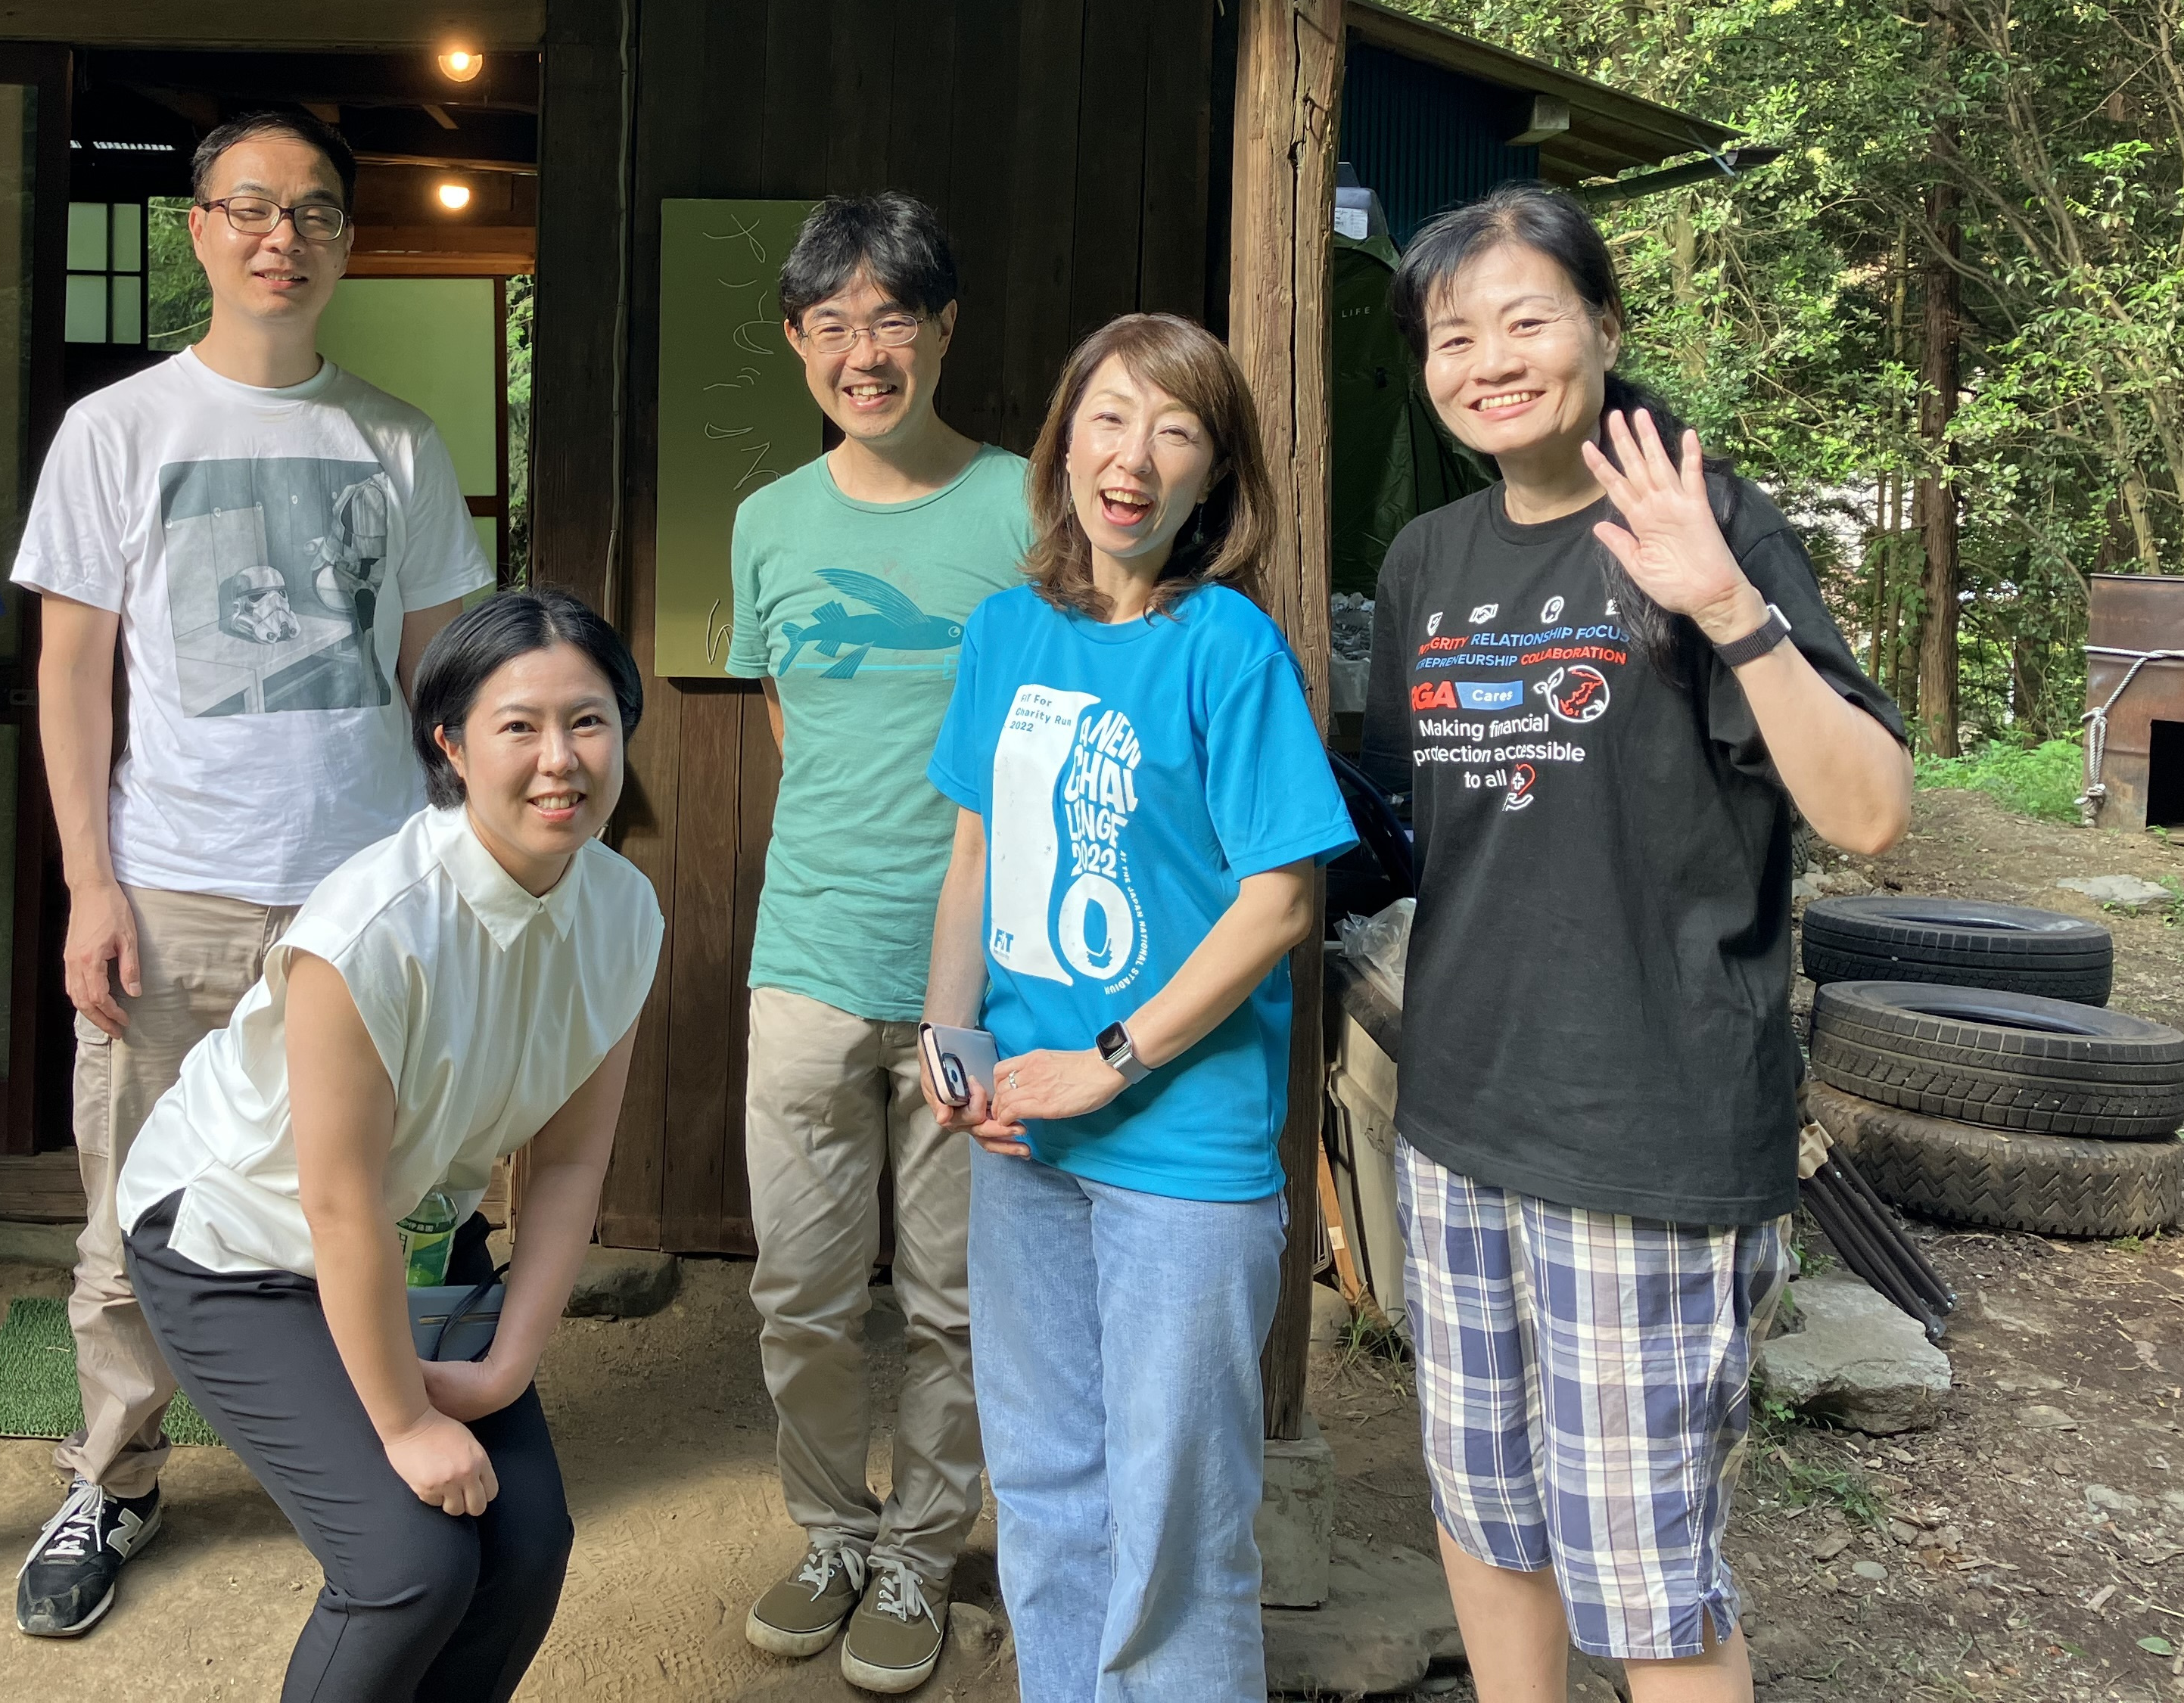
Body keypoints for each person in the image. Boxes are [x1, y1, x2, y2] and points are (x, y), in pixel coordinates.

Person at [1358, 188, 1909, 1703]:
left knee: (1650, 1580)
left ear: (1604, 327)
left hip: (1648, 1131)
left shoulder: (1708, 521)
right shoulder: (1425, 561)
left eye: (1527, 319)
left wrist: (1726, 604)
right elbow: (1431, 823)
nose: (1490, 359)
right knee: (1487, 1511)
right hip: (1462, 1111)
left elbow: (1867, 810)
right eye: (1453, 336)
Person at [8, 104, 493, 1636]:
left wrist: (451, 883)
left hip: (356, 905)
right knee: (130, 1215)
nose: (283, 236)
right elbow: (73, 677)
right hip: (176, 888)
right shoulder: (118, 431)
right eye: (251, 207)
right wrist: (89, 884)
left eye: (317, 213)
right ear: (201, 230)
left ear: (348, 240)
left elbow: (444, 690)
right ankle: (113, 1473)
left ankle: (349, 1460)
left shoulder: (397, 439)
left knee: (355, 1195)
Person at [919, 313, 1361, 1703]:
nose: (1135, 457)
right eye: (1109, 419)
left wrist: (1102, 1066)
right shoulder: (1007, 631)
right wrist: (952, 1039)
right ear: (1064, 446)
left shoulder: (1228, 646)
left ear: (1212, 475)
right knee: (1047, 1490)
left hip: (1180, 1144)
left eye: (1177, 432)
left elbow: (1283, 905)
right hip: (1023, 1141)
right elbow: (974, 858)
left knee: (1173, 1524)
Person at [115, 589, 661, 1701]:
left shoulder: (625, 911)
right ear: (450, 746)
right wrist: (406, 1422)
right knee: (408, 1566)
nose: (561, 759)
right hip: (238, 1241)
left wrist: (509, 1360)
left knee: (523, 1546)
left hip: (415, 1232)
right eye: (519, 727)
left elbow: (566, 1165)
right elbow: (336, 1204)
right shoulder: (373, 929)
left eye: (589, 721)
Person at [726, 194, 1029, 1692]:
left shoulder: (1028, 510)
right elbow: (799, 728)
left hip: (984, 978)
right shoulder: (769, 523)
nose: (866, 348)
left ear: (943, 328)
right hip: (807, 959)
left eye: (892, 315)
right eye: (833, 322)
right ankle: (832, 1531)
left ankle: (919, 1561)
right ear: (797, 342)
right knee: (800, 1285)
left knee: (958, 1302)